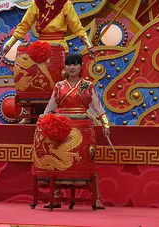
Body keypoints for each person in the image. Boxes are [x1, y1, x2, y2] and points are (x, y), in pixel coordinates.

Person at [40, 53, 109, 209]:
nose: (72, 67)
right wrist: (43, 120)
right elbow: (50, 106)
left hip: (83, 128)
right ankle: (55, 197)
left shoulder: (88, 86)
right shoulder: (59, 86)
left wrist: (106, 125)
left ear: (80, 66)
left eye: (75, 64)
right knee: (58, 162)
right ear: (65, 67)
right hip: (61, 128)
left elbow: (98, 107)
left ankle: (96, 198)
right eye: (69, 64)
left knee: (87, 163)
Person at [3, 0, 94, 55]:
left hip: (59, 47)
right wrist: (9, 43)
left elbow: (76, 26)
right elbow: (24, 25)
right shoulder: (37, 3)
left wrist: (89, 45)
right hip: (41, 48)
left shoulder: (65, 3)